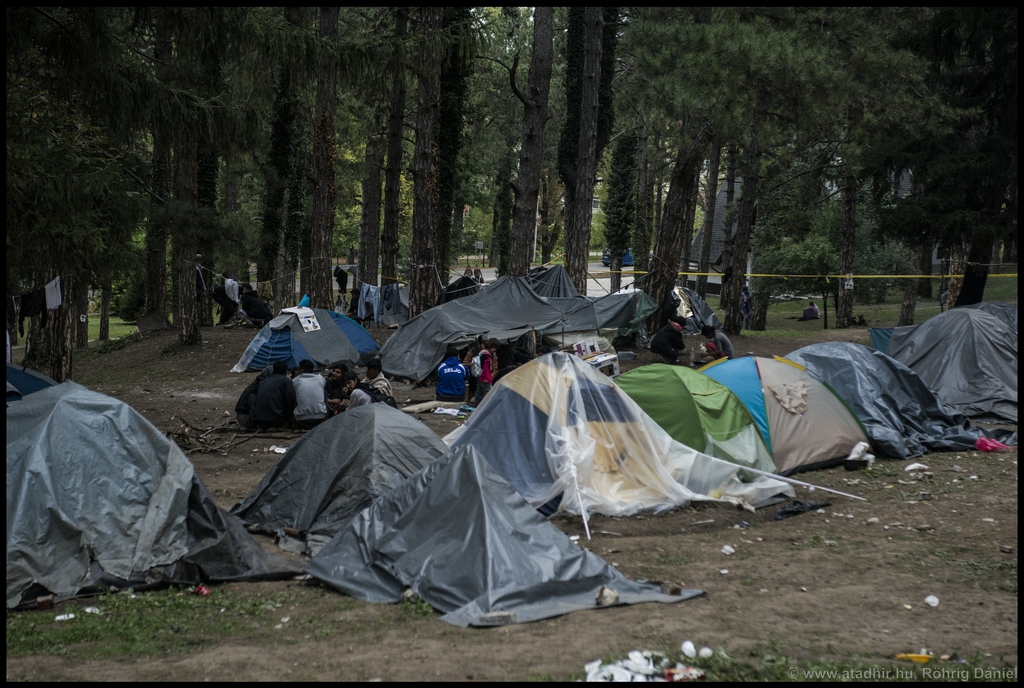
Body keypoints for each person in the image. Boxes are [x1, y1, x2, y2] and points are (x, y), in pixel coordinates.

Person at [249, 361, 297, 429]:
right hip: (276, 421)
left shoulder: (263, 382)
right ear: (285, 372)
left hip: (259, 421)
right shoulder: (286, 381)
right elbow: (291, 401)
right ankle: (282, 426)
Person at [292, 359, 328, 429]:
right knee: (324, 392)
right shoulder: (320, 378)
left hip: (301, 418)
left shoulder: (295, 380)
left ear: (301, 370)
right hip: (320, 417)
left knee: (296, 393)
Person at [474, 338, 499, 405]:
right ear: (490, 347)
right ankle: (489, 406)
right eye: (494, 348)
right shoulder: (487, 356)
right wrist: (488, 379)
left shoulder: (482, 352)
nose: (495, 350)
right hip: (485, 377)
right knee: (489, 393)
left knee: (479, 392)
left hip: (479, 375)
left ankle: (477, 405)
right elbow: (486, 368)